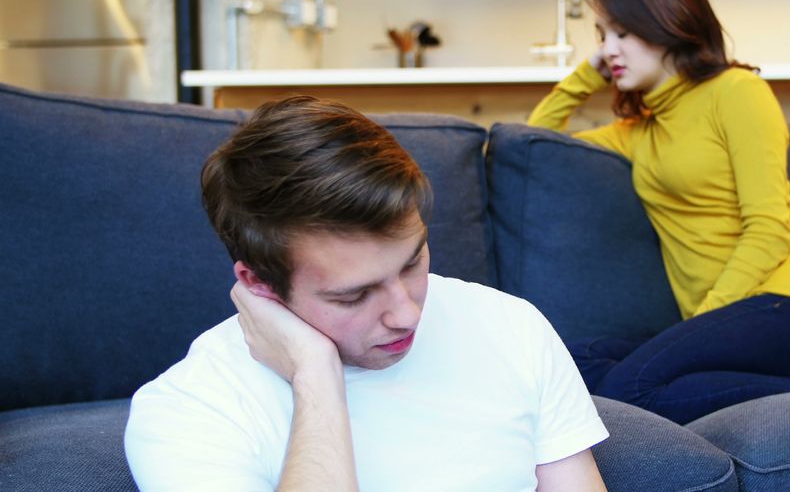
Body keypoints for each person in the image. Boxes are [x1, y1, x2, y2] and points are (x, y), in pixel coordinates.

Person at [124, 96, 608, 491]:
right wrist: (315, 376)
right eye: (353, 296)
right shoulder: (189, 410)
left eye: (413, 261)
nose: (406, 314)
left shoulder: (511, 326)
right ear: (258, 284)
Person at [528, 0, 790, 425]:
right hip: (728, 319)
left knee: (631, 386)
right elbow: (534, 143)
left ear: (666, 23)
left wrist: (699, 324)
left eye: (622, 32)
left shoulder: (738, 92)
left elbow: (769, 229)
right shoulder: (639, 131)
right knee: (575, 361)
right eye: (601, 36)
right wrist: (586, 74)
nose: (609, 49)